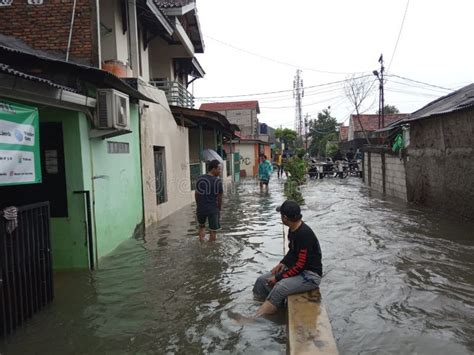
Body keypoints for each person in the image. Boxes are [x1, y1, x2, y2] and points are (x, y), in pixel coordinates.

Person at [253, 200, 322, 317]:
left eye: (281, 215)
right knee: (261, 281)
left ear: (285, 218)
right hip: (298, 270)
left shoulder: (304, 234)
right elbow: (292, 251)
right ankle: (265, 306)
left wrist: (278, 277)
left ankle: (255, 318)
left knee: (279, 287)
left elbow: (301, 265)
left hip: (310, 276)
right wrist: (282, 263)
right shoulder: (293, 229)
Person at [195, 159, 223, 241]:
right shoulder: (218, 181)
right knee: (213, 231)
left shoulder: (200, 178)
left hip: (201, 208)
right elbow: (219, 197)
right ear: (213, 169)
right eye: (219, 169)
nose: (220, 171)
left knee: (201, 226)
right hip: (212, 209)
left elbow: (196, 194)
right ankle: (211, 250)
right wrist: (219, 209)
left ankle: (202, 244)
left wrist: (198, 205)